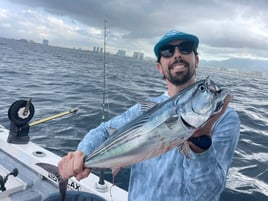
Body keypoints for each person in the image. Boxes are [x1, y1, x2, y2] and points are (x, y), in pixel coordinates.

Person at [58, 30, 240, 201]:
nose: (177, 54)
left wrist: (200, 145)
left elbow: (206, 195)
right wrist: (83, 152)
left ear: (196, 60)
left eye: (185, 48)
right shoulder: (143, 109)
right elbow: (105, 130)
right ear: (159, 67)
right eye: (168, 51)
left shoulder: (224, 119)